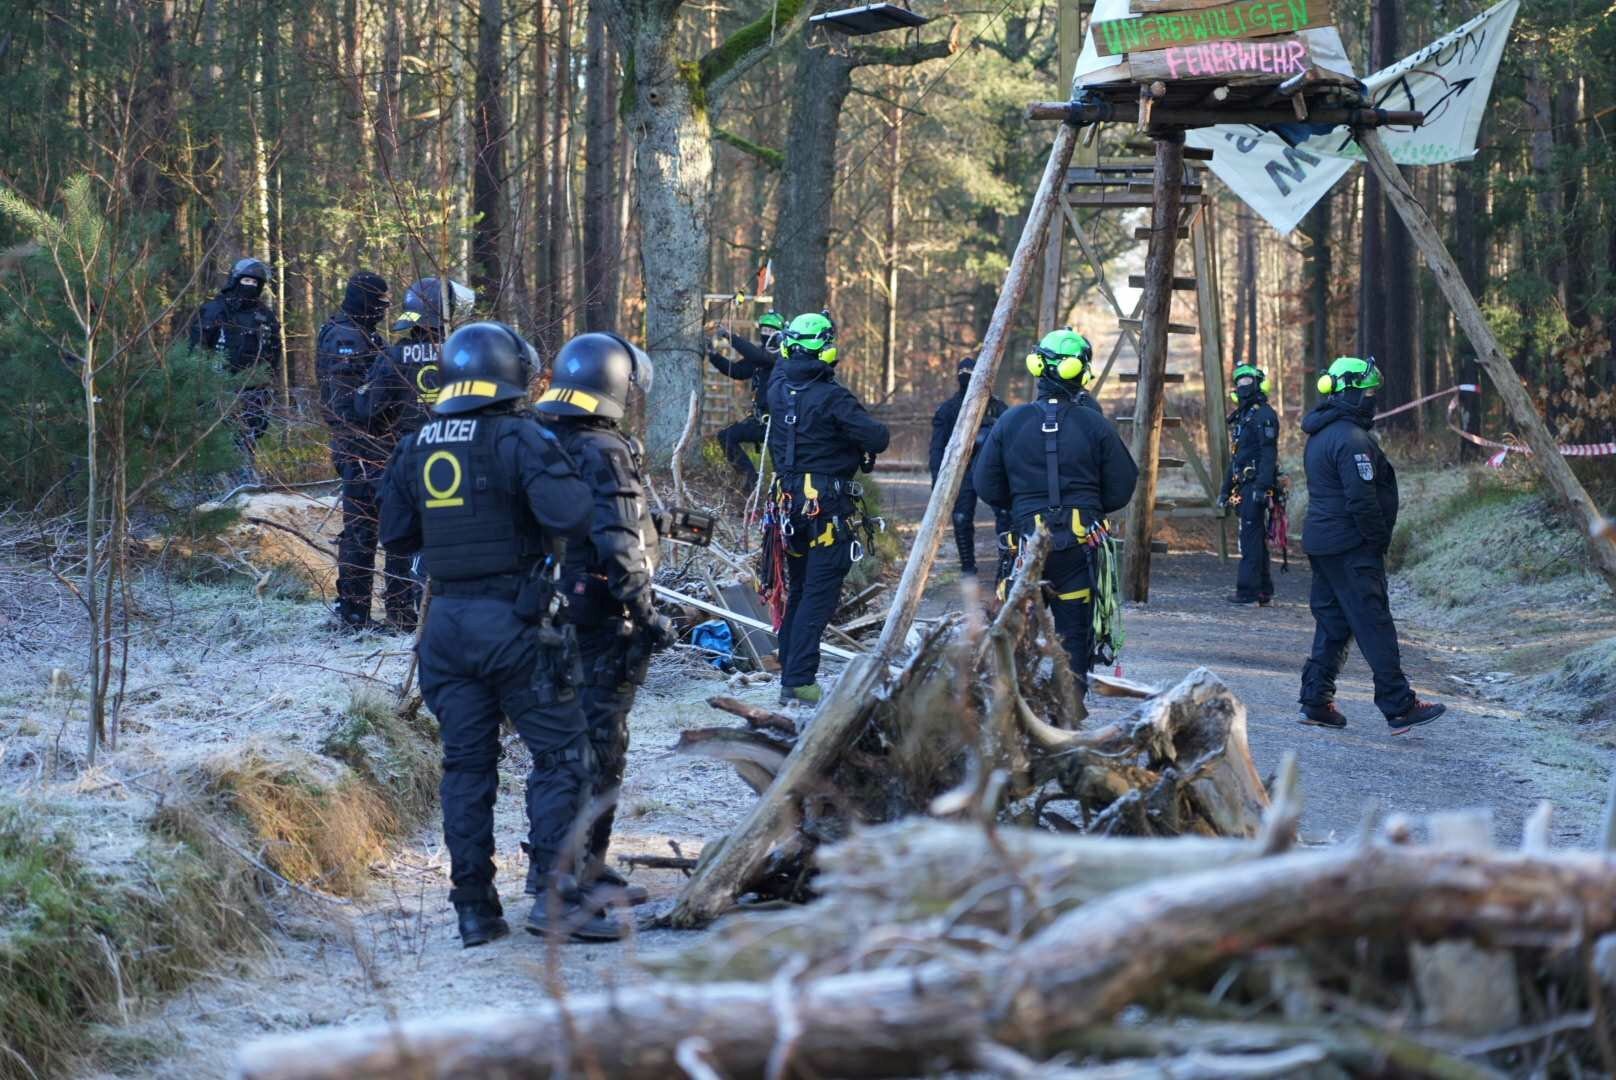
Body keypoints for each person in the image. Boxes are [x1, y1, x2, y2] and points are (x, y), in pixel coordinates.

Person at [379, 321, 619, 947]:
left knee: (465, 766)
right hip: (513, 624)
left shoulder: (417, 443)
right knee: (564, 756)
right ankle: (553, 894)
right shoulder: (520, 437)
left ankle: (474, 908)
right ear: (511, 374)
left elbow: (396, 536)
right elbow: (571, 515)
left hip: (445, 629)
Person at [534, 332, 676, 909]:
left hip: (547, 613)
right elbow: (619, 540)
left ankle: (576, 868)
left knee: (565, 749)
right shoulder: (604, 450)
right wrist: (647, 613)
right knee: (595, 748)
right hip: (599, 620)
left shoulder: (539, 438)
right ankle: (571, 876)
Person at [974, 328, 1138, 690]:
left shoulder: (1010, 422)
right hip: (1079, 549)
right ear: (1079, 373)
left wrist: (1017, 508)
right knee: (1074, 638)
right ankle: (1071, 713)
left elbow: (986, 485)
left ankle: (1015, 715)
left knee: (1016, 635)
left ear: (1038, 366)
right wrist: (1090, 508)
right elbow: (1123, 485)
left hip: (1025, 548)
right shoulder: (1095, 424)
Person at [1297, 356, 1445, 736]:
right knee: (1374, 623)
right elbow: (1361, 500)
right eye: (1367, 392)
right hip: (1351, 547)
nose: (1372, 399)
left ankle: (1316, 700)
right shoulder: (1352, 440)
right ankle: (1399, 705)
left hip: (1324, 544)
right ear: (1348, 393)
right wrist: (1377, 539)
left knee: (1333, 623)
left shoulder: (1321, 434)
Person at [765, 311, 889, 705]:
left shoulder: (778, 389)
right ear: (827, 348)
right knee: (818, 595)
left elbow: (783, 368)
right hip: (827, 512)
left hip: (790, 511)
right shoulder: (833, 398)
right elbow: (878, 437)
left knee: (799, 590)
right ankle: (799, 681)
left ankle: (791, 668)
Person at [356, 277, 476, 631]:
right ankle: (445, 610)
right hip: (460, 458)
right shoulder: (468, 355)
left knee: (402, 534)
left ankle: (401, 616)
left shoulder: (395, 355)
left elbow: (367, 408)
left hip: (408, 458)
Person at [315, 271, 396, 633]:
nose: (382, 311)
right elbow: (347, 405)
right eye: (378, 304)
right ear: (364, 301)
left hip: (373, 447)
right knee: (362, 529)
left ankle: (362, 610)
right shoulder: (346, 339)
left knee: (370, 527)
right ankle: (353, 613)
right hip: (360, 448)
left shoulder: (363, 334)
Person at [188, 257, 284, 473]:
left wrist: (267, 387)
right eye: (246, 281)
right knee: (215, 448)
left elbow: (273, 354)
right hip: (217, 392)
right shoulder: (214, 311)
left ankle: (244, 492)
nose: (250, 286)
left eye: (255, 283)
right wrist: (202, 392)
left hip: (253, 394)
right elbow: (196, 352)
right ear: (235, 280)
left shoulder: (265, 317)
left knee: (247, 444)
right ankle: (211, 496)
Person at [930, 356, 1013, 583]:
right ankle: (968, 569)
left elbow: (1012, 444)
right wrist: (938, 480)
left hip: (993, 471)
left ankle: (1006, 565)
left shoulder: (999, 408)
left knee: (1006, 515)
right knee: (961, 517)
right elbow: (937, 448)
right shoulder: (948, 410)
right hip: (963, 470)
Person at [1217, 363, 1279, 606]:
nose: (1243, 387)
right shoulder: (1244, 416)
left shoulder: (1264, 416)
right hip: (1243, 487)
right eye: (1239, 382)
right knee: (1253, 537)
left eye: (1247, 382)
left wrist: (1263, 488)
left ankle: (1248, 592)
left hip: (1255, 487)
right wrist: (1225, 491)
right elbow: (1236, 458)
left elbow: (1268, 454)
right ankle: (1263, 590)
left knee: (1250, 538)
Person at [706, 311, 784, 490]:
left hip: (780, 426)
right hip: (760, 422)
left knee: (783, 473)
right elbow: (738, 371)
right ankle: (749, 481)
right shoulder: (760, 357)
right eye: (764, 329)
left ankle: (785, 505)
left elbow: (758, 357)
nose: (767, 334)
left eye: (771, 331)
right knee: (726, 437)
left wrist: (730, 336)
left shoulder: (780, 356)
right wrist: (713, 355)